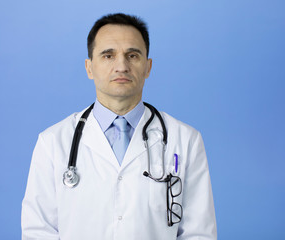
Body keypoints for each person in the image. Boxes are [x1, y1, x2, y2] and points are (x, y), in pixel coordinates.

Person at [21, 13, 217, 240]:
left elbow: (199, 233)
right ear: (89, 67)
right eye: (108, 56)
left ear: (148, 67)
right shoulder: (53, 142)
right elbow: (39, 232)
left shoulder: (186, 140)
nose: (121, 66)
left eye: (132, 55)